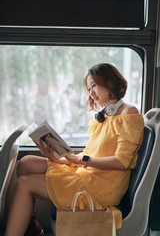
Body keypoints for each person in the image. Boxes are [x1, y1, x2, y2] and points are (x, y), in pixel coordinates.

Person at [5, 63, 144, 236]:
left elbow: (122, 162)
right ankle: (32, 225)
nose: (91, 92)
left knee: (25, 183)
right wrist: (60, 158)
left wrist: (81, 160)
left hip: (102, 186)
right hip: (88, 173)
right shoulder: (104, 115)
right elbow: (90, 153)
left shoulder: (128, 113)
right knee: (25, 163)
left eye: (94, 85)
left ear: (109, 81)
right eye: (88, 87)